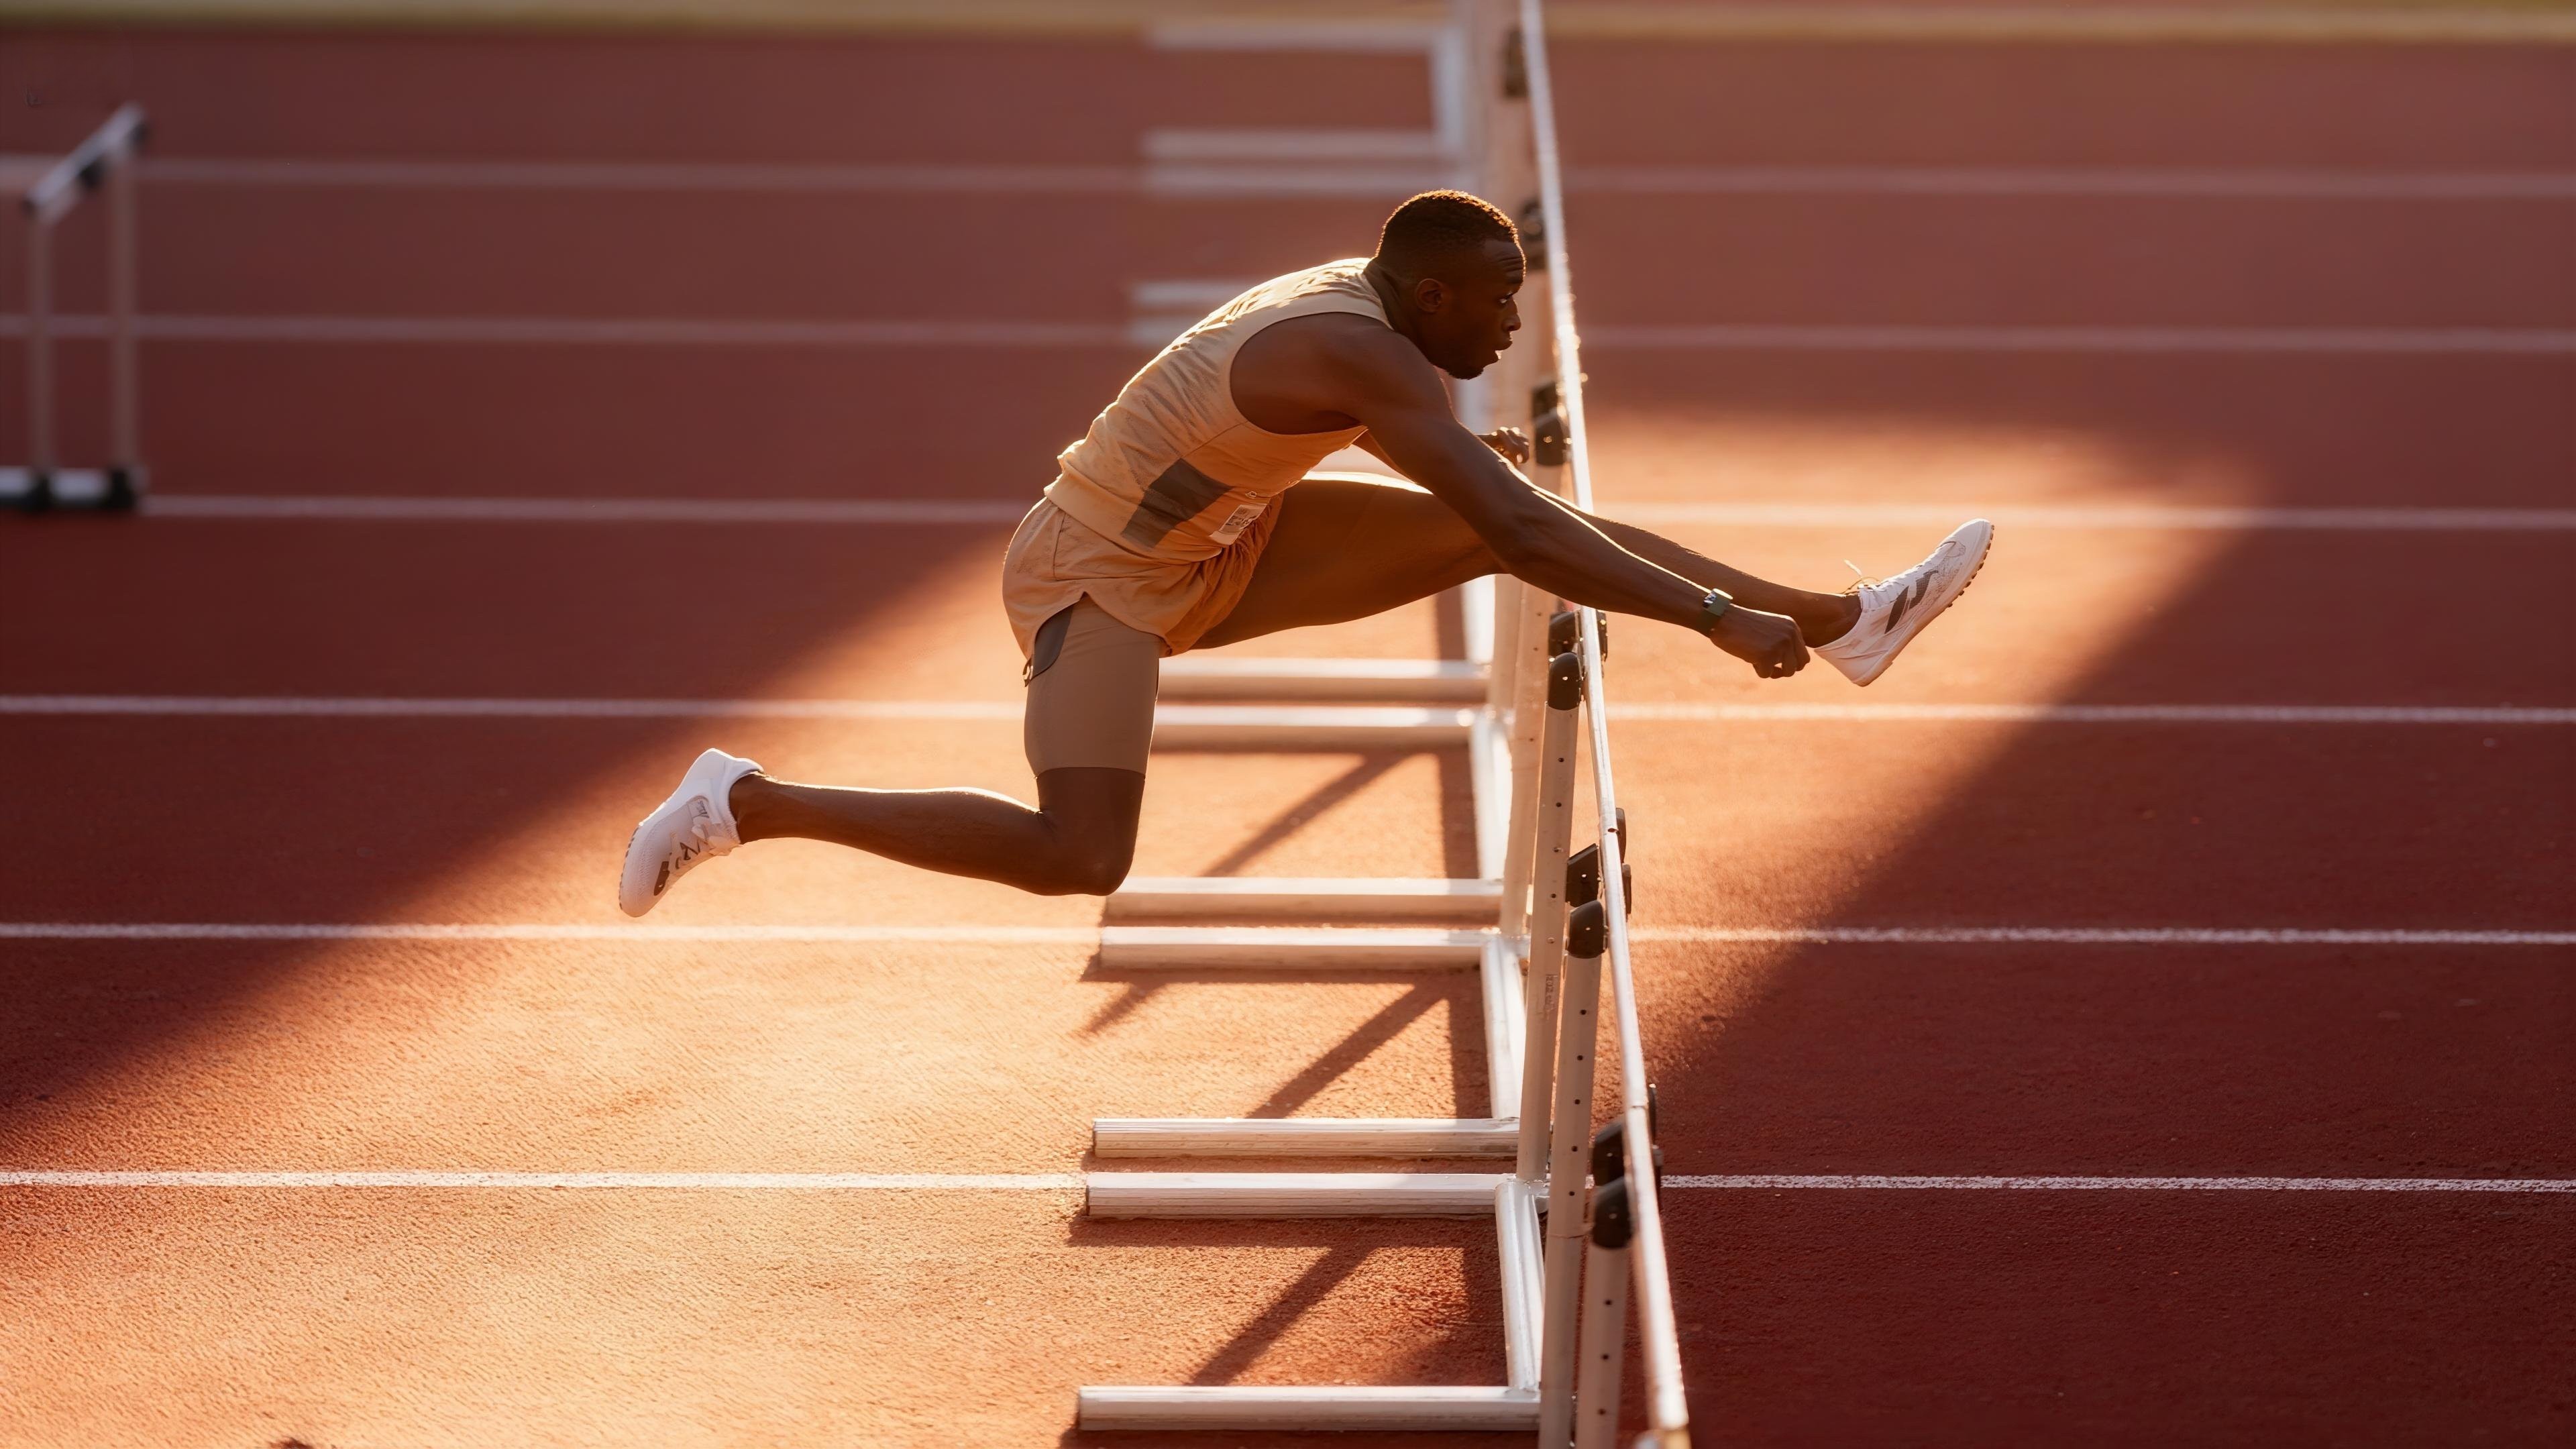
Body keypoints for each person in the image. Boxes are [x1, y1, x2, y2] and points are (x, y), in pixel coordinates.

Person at [619, 191, 1988, 912]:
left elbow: (1307, 435)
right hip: (1099, 581)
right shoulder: (1360, 346)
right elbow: (1510, 520)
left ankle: (1843, 617)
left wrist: (1453, 465)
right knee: (1079, 855)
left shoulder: (1374, 310)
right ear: (1435, 294)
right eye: (1501, 306)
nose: (1512, 331)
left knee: (1490, 527)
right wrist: (1701, 616)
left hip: (1224, 536)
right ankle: (751, 804)